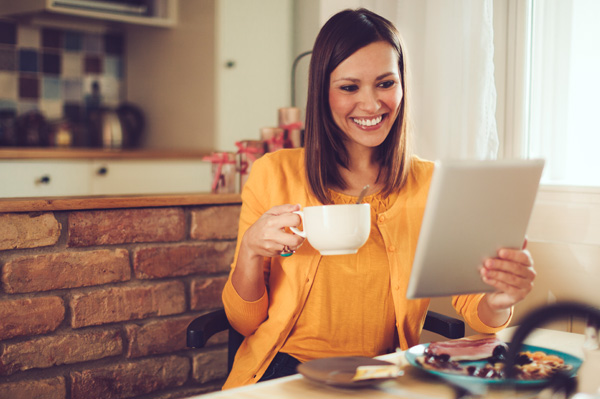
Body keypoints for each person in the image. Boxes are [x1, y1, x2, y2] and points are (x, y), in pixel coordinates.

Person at [221, 8, 536, 389]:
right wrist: (252, 251)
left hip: (383, 374)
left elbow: (478, 312)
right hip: (283, 373)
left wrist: (500, 299)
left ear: (403, 84)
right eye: (349, 87)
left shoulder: (431, 183)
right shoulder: (274, 173)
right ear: (323, 92)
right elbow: (244, 322)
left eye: (385, 83)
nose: (371, 105)